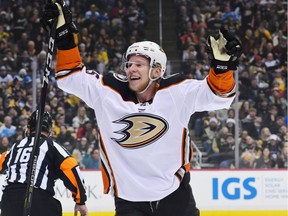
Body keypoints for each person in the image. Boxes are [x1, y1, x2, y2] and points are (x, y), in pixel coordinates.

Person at [41, 2, 242, 216]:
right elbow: (70, 77)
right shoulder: (107, 91)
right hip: (129, 200)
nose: (131, 68)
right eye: (129, 64)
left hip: (174, 194)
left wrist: (222, 69)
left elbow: (218, 97)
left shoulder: (177, 91)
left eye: (139, 64)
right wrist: (65, 38)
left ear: (156, 70)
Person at [0, 111, 88, 216]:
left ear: (28, 130)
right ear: (50, 133)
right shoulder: (52, 146)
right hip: (37, 198)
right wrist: (80, 200)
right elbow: (72, 168)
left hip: (9, 199)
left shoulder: (15, 147)